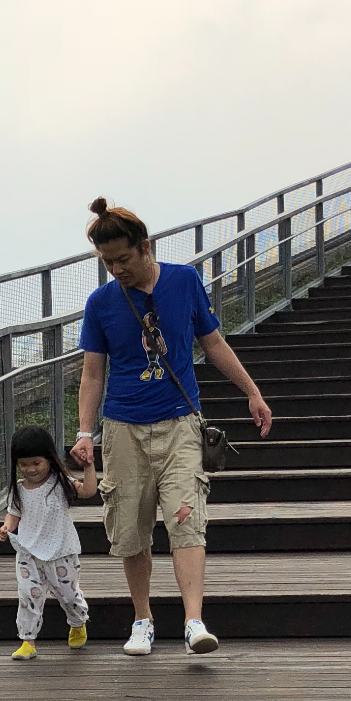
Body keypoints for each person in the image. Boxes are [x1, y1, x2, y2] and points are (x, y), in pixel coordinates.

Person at [73, 196, 272, 655]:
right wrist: (85, 433)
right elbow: (93, 374)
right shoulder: (100, 303)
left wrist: (252, 391)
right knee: (129, 528)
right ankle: (142, 619)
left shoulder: (184, 281)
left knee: (187, 520)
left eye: (123, 259)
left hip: (180, 423)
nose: (116, 270)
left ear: (145, 247)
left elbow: (213, 342)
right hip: (123, 427)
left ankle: (193, 621)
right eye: (107, 262)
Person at [0, 424, 97, 660]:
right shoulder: (19, 489)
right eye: (23, 464)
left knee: (68, 595)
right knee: (28, 595)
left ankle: (77, 621)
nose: (30, 469)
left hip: (60, 551)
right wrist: (7, 526)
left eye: (36, 463)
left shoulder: (59, 483)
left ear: (50, 459)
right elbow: (14, 513)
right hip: (28, 552)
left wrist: (88, 467)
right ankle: (28, 640)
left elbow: (88, 491)